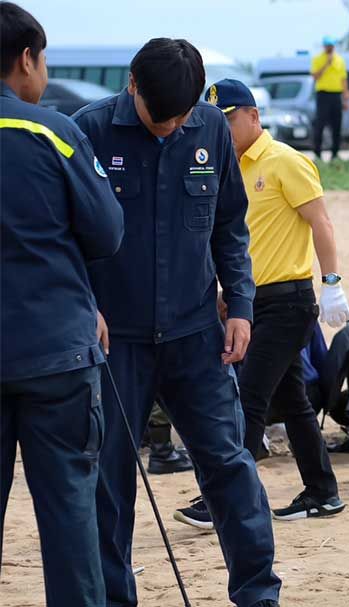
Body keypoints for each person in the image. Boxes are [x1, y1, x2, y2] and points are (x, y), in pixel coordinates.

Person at [73, 39, 281, 606]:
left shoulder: (210, 127)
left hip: (197, 339)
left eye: (181, 117)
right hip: (117, 345)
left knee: (230, 464)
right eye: (159, 117)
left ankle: (259, 593)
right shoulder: (86, 131)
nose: (170, 128)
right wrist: (81, 303)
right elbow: (60, 234)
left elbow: (230, 226)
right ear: (133, 84)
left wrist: (240, 304)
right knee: (110, 484)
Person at [172, 78, 349, 530]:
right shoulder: (217, 167)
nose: (222, 128)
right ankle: (322, 492)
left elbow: (321, 222)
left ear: (254, 116)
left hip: (286, 300)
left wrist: (332, 283)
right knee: (292, 402)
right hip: (248, 300)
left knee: (247, 397)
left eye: (229, 119)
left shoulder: (285, 161)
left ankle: (221, 501)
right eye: (214, 120)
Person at [0, 4, 124, 603]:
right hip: (56, 358)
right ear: (26, 58)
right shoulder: (51, 131)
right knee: (71, 523)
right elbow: (107, 233)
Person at [310, 35, 349, 161]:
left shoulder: (340, 60)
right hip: (323, 94)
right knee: (320, 124)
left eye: (331, 45)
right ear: (324, 46)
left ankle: (335, 153)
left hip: (336, 95)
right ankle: (317, 152)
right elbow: (315, 76)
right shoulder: (317, 59)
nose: (330, 48)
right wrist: (326, 64)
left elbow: (343, 79)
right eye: (328, 45)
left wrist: (345, 98)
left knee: (337, 125)